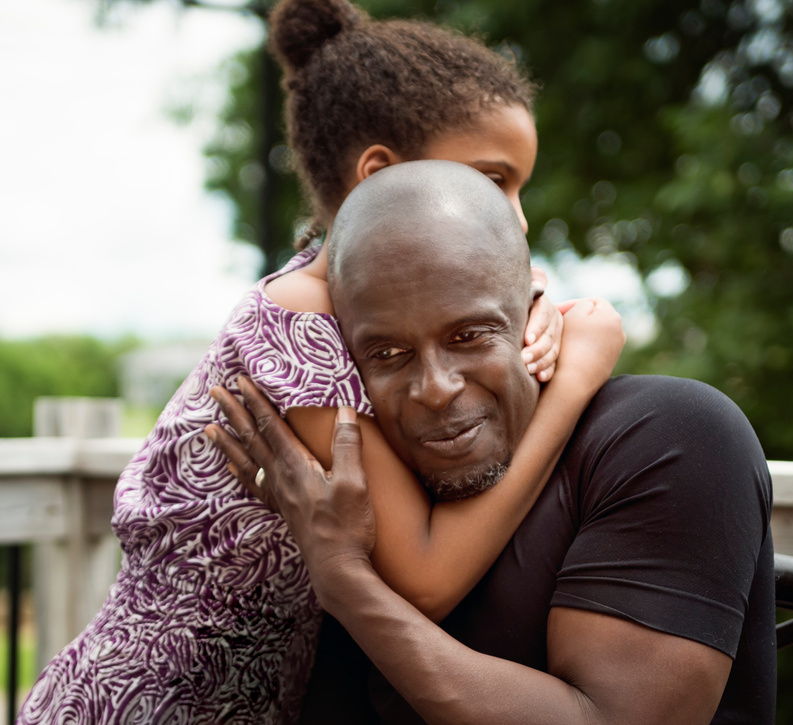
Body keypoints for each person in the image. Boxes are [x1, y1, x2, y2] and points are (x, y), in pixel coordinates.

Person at [17, 1, 626, 723]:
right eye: (494, 182)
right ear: (377, 174)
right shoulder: (301, 322)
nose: (516, 219)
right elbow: (425, 577)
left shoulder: (365, 308)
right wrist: (577, 376)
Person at [211, 160, 777, 723]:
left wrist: (345, 579)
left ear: (534, 310)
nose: (434, 389)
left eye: (468, 336)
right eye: (387, 354)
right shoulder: (365, 490)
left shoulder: (669, 436)